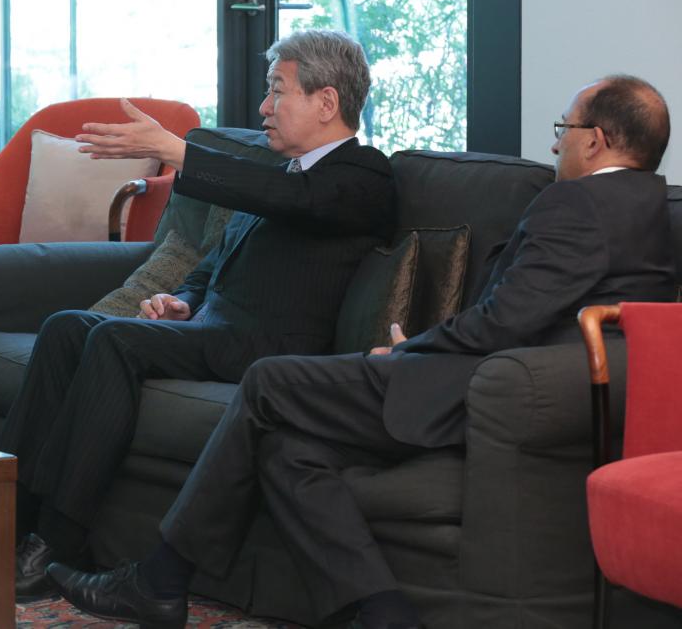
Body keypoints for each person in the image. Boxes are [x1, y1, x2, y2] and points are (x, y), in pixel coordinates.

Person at [46, 74, 676, 629]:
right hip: (525, 389)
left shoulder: (573, 204)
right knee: (287, 445)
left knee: (270, 384)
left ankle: (159, 579)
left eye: (564, 128)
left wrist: (412, 352)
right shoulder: (650, 208)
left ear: (594, 140)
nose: (555, 142)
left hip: (482, 388)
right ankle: (383, 610)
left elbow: (506, 321)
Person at [0, 29, 398, 600]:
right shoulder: (282, 174)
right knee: (68, 326)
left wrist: (179, 151)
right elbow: (215, 259)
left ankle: (56, 545)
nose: (265, 107)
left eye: (278, 91)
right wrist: (185, 299)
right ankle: (1, 533)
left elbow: (298, 202)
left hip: (268, 348)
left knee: (118, 341)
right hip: (211, 329)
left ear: (327, 103)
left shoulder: (363, 175)